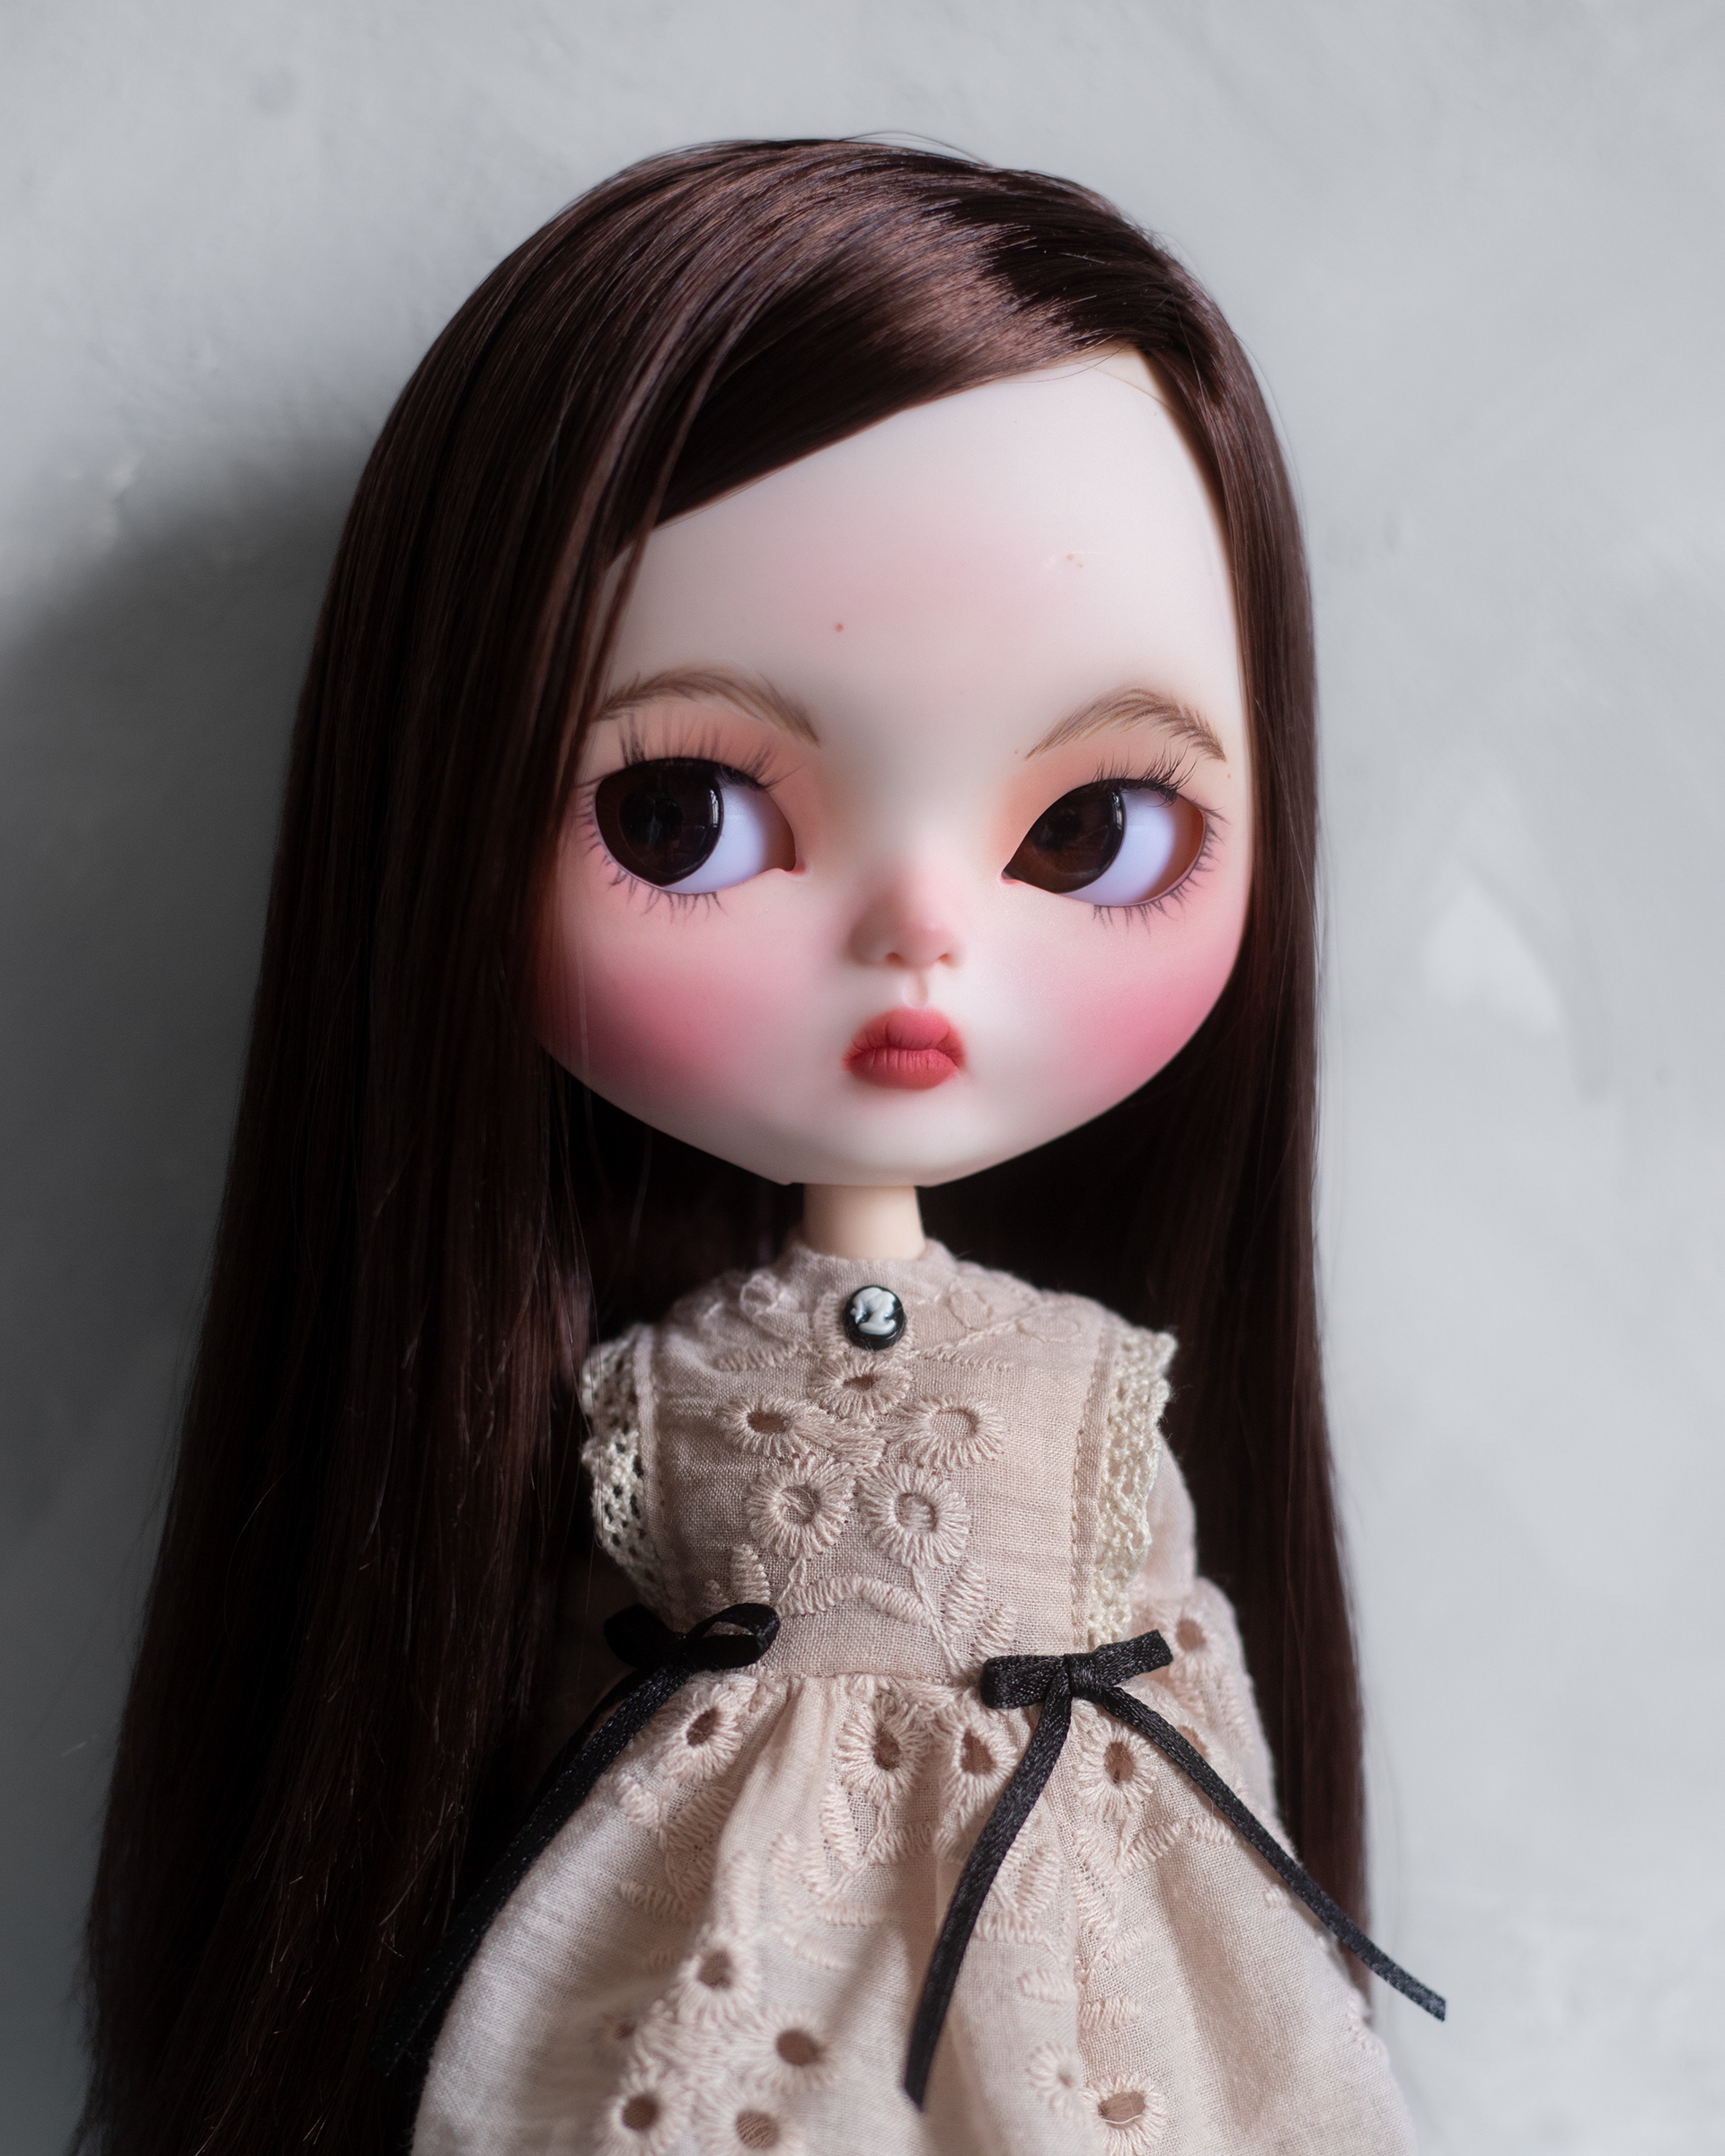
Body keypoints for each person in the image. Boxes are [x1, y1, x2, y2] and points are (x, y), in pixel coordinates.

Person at [81, 141, 1434, 2155]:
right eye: (684, 817)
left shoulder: (1086, 1387)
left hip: (1066, 1942)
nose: (922, 937)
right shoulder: (642, 1399)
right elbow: (566, 1694)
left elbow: (1190, 1686)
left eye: (1086, 833)